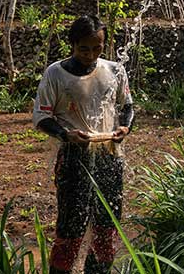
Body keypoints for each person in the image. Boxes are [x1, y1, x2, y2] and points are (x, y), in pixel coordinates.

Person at [32, 15, 134, 274]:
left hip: (109, 155)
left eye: (97, 47)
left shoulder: (114, 70)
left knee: (107, 222)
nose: (91, 54)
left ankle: (97, 269)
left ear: (104, 44)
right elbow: (42, 118)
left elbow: (127, 106)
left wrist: (124, 127)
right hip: (74, 156)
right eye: (84, 49)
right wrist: (67, 135)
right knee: (71, 225)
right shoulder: (56, 74)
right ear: (73, 45)